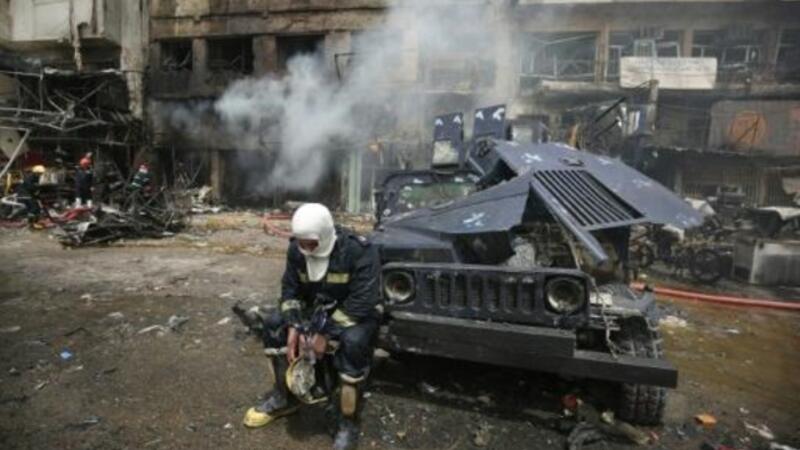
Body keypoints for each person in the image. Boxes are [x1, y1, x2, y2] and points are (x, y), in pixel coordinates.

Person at [243, 203, 381, 450]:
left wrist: (325, 334)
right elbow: (290, 290)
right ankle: (284, 397)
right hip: (316, 309)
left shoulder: (358, 250)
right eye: (301, 243)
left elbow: (363, 301)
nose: (305, 249)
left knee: (353, 342)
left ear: (325, 235)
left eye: (311, 243)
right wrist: (293, 323)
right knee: (274, 324)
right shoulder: (296, 250)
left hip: (352, 312)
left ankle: (347, 421)